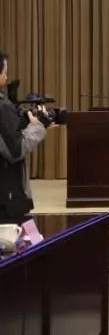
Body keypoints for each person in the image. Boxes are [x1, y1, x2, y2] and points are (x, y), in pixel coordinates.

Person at [0, 50, 51, 224]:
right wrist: (37, 126)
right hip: (7, 197)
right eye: (4, 72)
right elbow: (16, 150)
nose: (6, 78)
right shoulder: (2, 107)